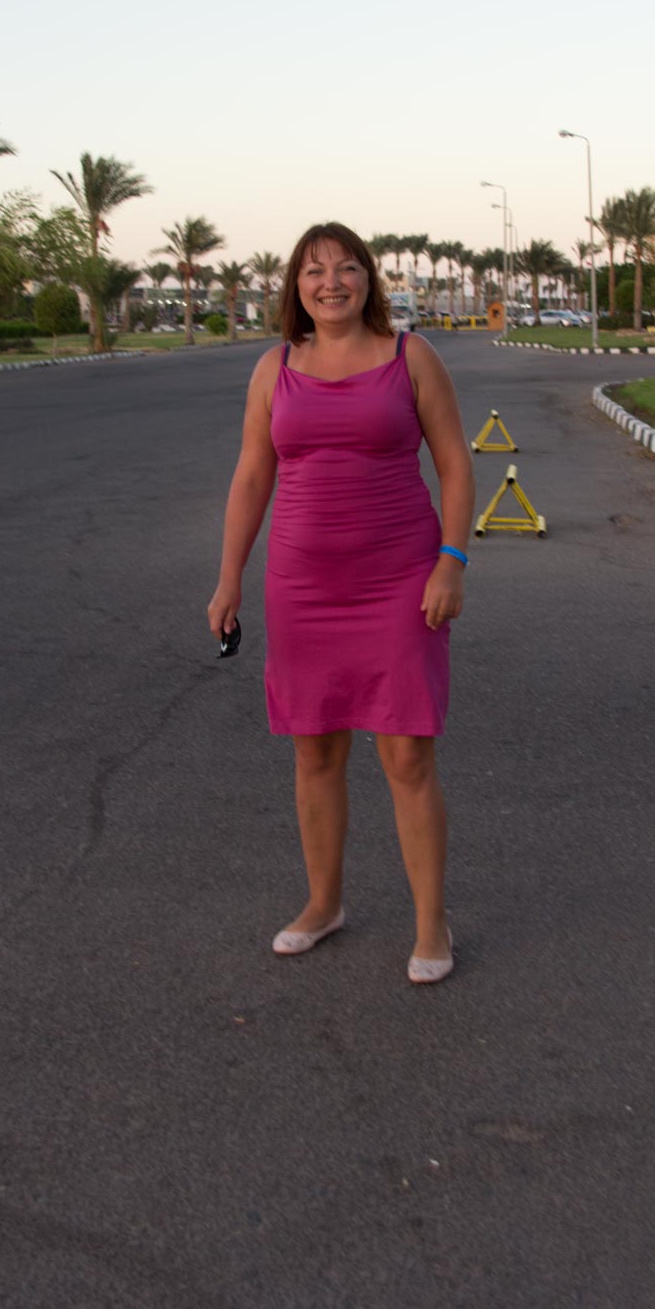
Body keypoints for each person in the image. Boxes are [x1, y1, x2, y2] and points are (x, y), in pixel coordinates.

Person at [208, 223, 474, 984]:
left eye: (347, 268)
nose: (331, 282)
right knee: (315, 750)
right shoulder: (274, 368)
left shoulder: (410, 357)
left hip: (399, 581)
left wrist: (451, 562)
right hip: (302, 588)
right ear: (296, 287)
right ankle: (323, 904)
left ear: (368, 280)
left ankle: (431, 923)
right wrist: (229, 578)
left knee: (406, 754)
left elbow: (455, 464)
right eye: (315, 271)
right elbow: (252, 477)